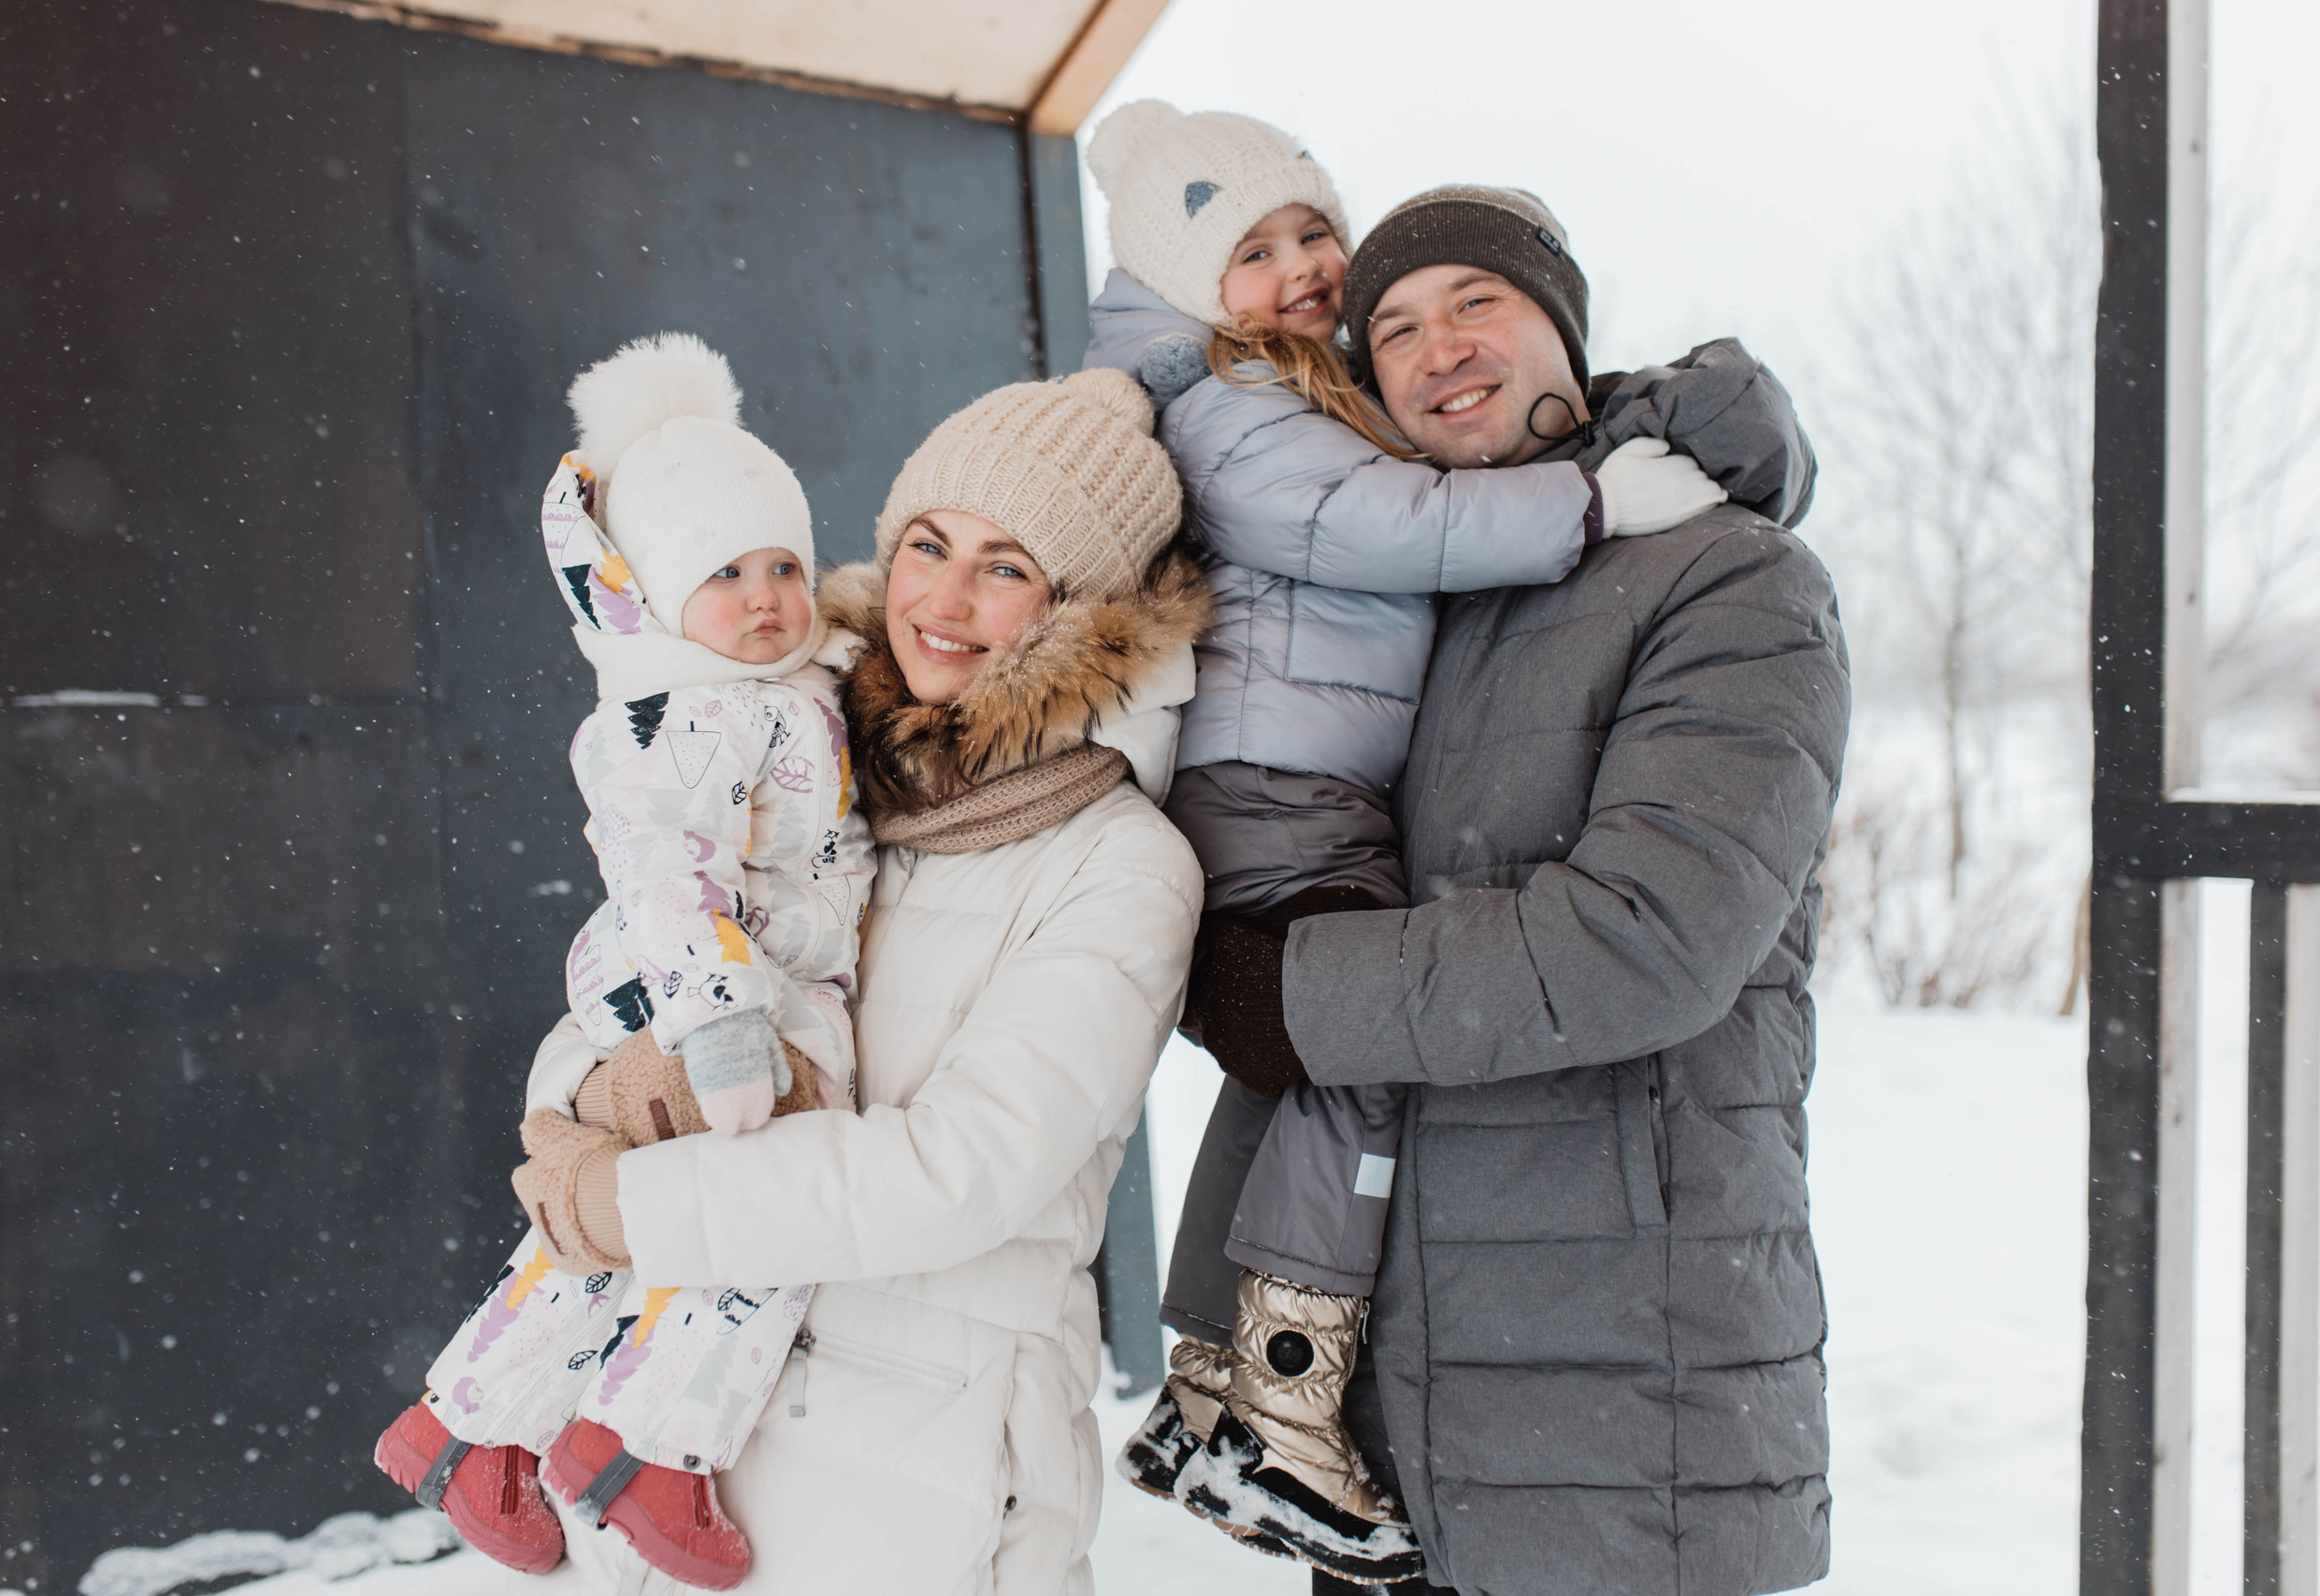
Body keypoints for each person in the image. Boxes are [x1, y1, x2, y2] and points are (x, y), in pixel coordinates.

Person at [1078, 103, 1808, 1587]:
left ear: (1563, 328)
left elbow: (1643, 946)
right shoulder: (1427, 580)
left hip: (1618, 1415)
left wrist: (1287, 993)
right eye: (1394, 323)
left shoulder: (1725, 578)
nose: (1438, 344)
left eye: (1480, 299)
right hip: (1401, 1419)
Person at [506, 365, 1210, 1594]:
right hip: (681, 1435)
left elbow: (959, 1175)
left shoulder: (1121, 867)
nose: (942, 598)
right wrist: (587, 1092)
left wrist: (636, 1203)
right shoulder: (804, 762)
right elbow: (632, 963)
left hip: (915, 1481)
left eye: (1006, 567)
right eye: (929, 544)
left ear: (1080, 610)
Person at [373, 334, 873, 1589]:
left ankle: (467, 1424)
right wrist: (718, 1026)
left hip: (723, 1004)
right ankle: (648, 1444)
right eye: (723, 574)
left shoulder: (764, 689)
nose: (764, 597)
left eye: (782, 567)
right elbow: (664, 871)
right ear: (645, 592)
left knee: (619, 1232)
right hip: (712, 1016)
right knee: (763, 1225)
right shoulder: (694, 710)